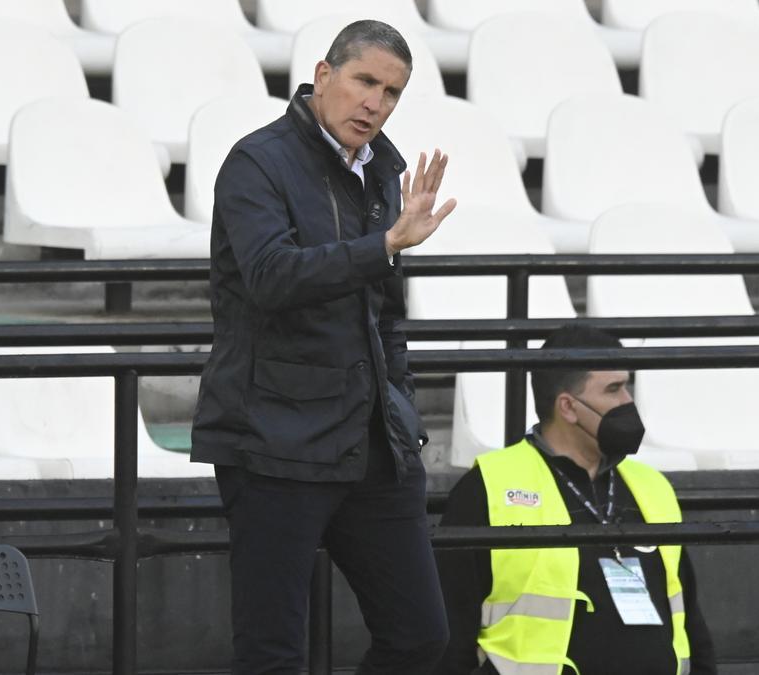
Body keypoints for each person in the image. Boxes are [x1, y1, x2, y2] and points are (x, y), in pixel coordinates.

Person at [190, 19, 457, 675]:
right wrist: (383, 247)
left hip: (371, 442)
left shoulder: (383, 170)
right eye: (366, 81)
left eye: (392, 92)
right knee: (272, 654)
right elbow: (271, 277)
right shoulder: (258, 162)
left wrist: (400, 404)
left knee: (421, 636)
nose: (376, 103)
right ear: (323, 75)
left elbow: (385, 313)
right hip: (275, 440)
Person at [434, 324, 717, 675]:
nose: (628, 403)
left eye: (626, 387)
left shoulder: (652, 488)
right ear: (568, 407)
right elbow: (450, 632)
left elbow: (691, 624)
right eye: (613, 390)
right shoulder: (488, 487)